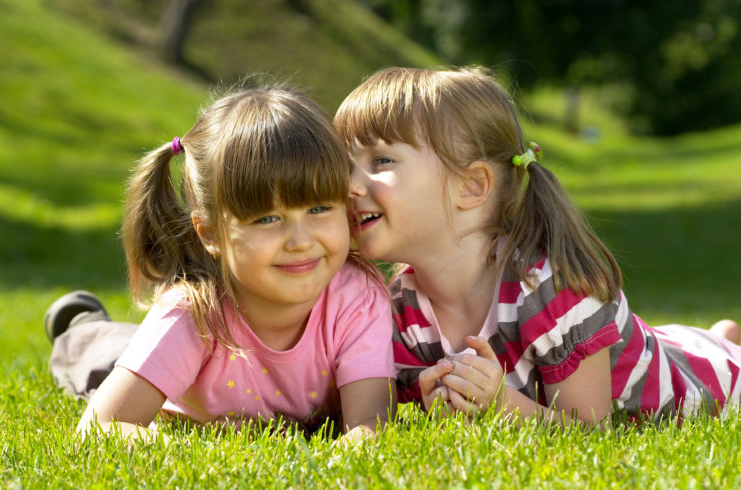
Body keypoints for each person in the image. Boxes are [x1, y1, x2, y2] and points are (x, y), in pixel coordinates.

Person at [333, 66, 741, 425]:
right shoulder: (399, 308)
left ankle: (722, 343)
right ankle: (719, 333)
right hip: (661, 342)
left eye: (381, 161)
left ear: (472, 186)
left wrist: (500, 405)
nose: (350, 186)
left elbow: (590, 432)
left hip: (705, 383)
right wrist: (431, 400)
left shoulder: (551, 287)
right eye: (348, 166)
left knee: (711, 361)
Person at [45, 85, 396, 441]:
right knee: (105, 355)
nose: (301, 241)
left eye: (319, 209)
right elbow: (98, 428)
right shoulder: (191, 317)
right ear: (211, 234)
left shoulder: (358, 298)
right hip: (153, 362)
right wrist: (163, 448)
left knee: (134, 344)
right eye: (267, 219)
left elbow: (371, 423)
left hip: (175, 354)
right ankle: (81, 326)